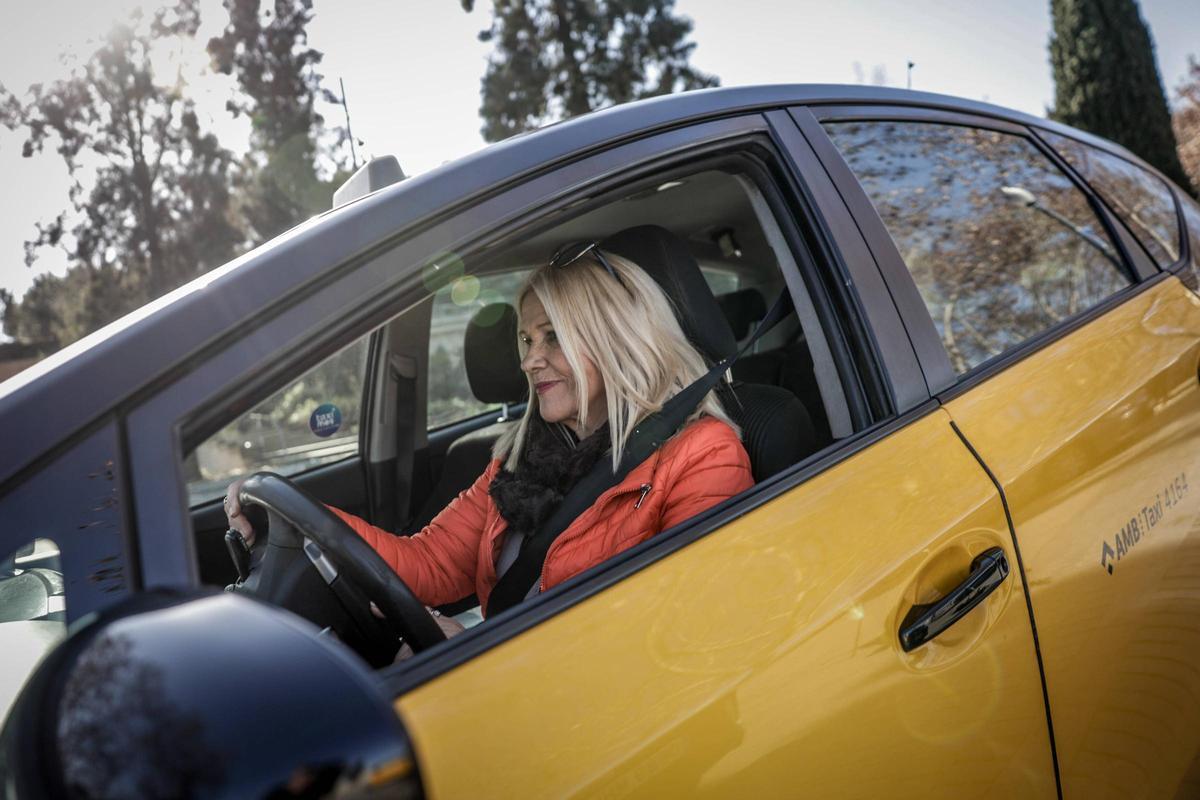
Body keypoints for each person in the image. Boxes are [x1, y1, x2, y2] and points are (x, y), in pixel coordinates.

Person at [225, 242, 753, 619]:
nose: (530, 361)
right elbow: (427, 563)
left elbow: (685, 634)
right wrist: (304, 521)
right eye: (526, 341)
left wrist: (470, 651)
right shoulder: (520, 461)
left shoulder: (703, 457)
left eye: (553, 338)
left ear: (616, 340)